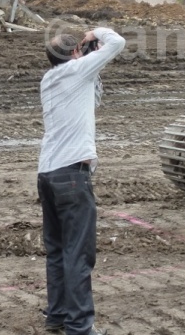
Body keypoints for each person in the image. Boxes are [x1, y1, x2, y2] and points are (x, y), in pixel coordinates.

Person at [39, 27, 125, 335]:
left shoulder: (49, 79)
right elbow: (118, 42)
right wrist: (93, 33)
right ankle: (80, 326)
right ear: (75, 53)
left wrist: (84, 50)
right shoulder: (78, 70)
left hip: (47, 172)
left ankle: (58, 316)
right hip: (72, 174)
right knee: (78, 252)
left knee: (58, 250)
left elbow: (89, 96)